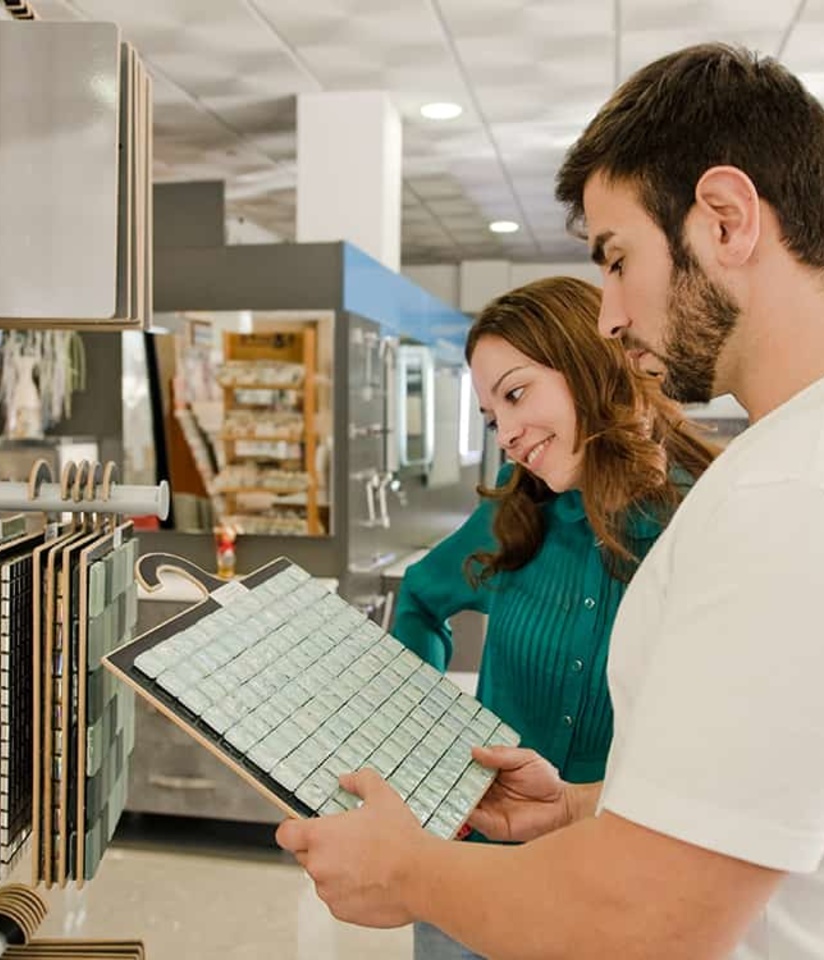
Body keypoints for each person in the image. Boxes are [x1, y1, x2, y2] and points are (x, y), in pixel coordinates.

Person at [276, 42, 824, 960]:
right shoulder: (777, 477)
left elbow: (647, 921)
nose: (610, 316)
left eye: (617, 259)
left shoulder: (776, 494)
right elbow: (763, 797)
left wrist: (401, 869)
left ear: (726, 219)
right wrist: (574, 806)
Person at [389, 276, 716, 960]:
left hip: (620, 893)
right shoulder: (511, 518)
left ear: (588, 362)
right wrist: (424, 734)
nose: (506, 434)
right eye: (490, 417)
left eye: (515, 394)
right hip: (475, 881)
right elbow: (419, 598)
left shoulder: (706, 520)